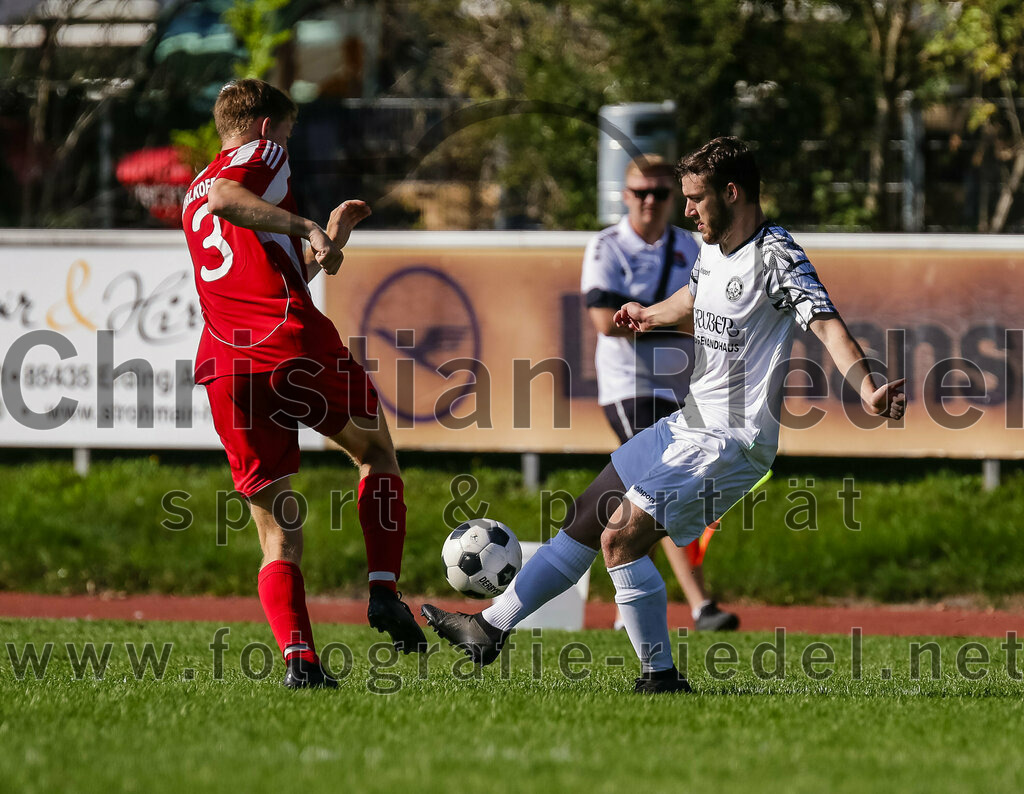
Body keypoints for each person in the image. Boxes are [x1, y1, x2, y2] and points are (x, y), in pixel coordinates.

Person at [422, 137, 906, 693]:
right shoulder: (712, 247)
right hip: (690, 421)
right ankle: (488, 627)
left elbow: (826, 324)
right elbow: (695, 299)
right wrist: (650, 314)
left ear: (733, 192)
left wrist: (867, 388)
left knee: (620, 539)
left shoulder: (777, 256)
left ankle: (660, 676)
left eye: (697, 198)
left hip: (731, 441)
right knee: (588, 514)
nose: (688, 210)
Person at [182, 79, 427, 689]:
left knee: (277, 533)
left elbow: (257, 259)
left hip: (226, 366)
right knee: (375, 452)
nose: (288, 144)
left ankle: (301, 662)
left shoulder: (190, 191)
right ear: (267, 126)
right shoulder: (258, 157)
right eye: (288, 131)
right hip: (290, 345)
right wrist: (308, 224)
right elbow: (229, 198)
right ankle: (384, 590)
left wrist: (326, 245)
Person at [581, 153, 738, 632]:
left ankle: (627, 605)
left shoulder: (692, 245)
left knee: (655, 495)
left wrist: (652, 319)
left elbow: (713, 317)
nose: (649, 202)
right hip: (628, 386)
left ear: (675, 198)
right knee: (658, 488)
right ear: (624, 196)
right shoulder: (607, 245)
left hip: (683, 388)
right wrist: (670, 320)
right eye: (639, 193)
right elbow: (604, 324)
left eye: (660, 193)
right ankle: (698, 604)